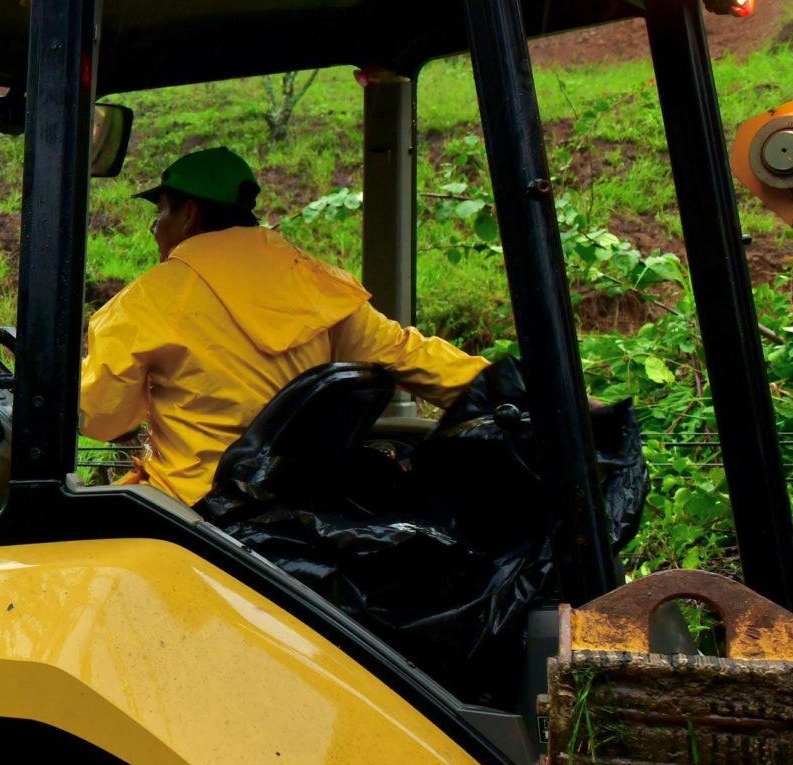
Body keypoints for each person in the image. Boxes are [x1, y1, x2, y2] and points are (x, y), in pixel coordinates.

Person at [79, 146, 488, 506]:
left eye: (160, 212)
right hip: (305, 499)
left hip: (194, 512)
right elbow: (406, 354)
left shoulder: (146, 301)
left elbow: (102, 418)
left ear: (189, 215)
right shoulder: (317, 285)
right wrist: (499, 386)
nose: (155, 228)